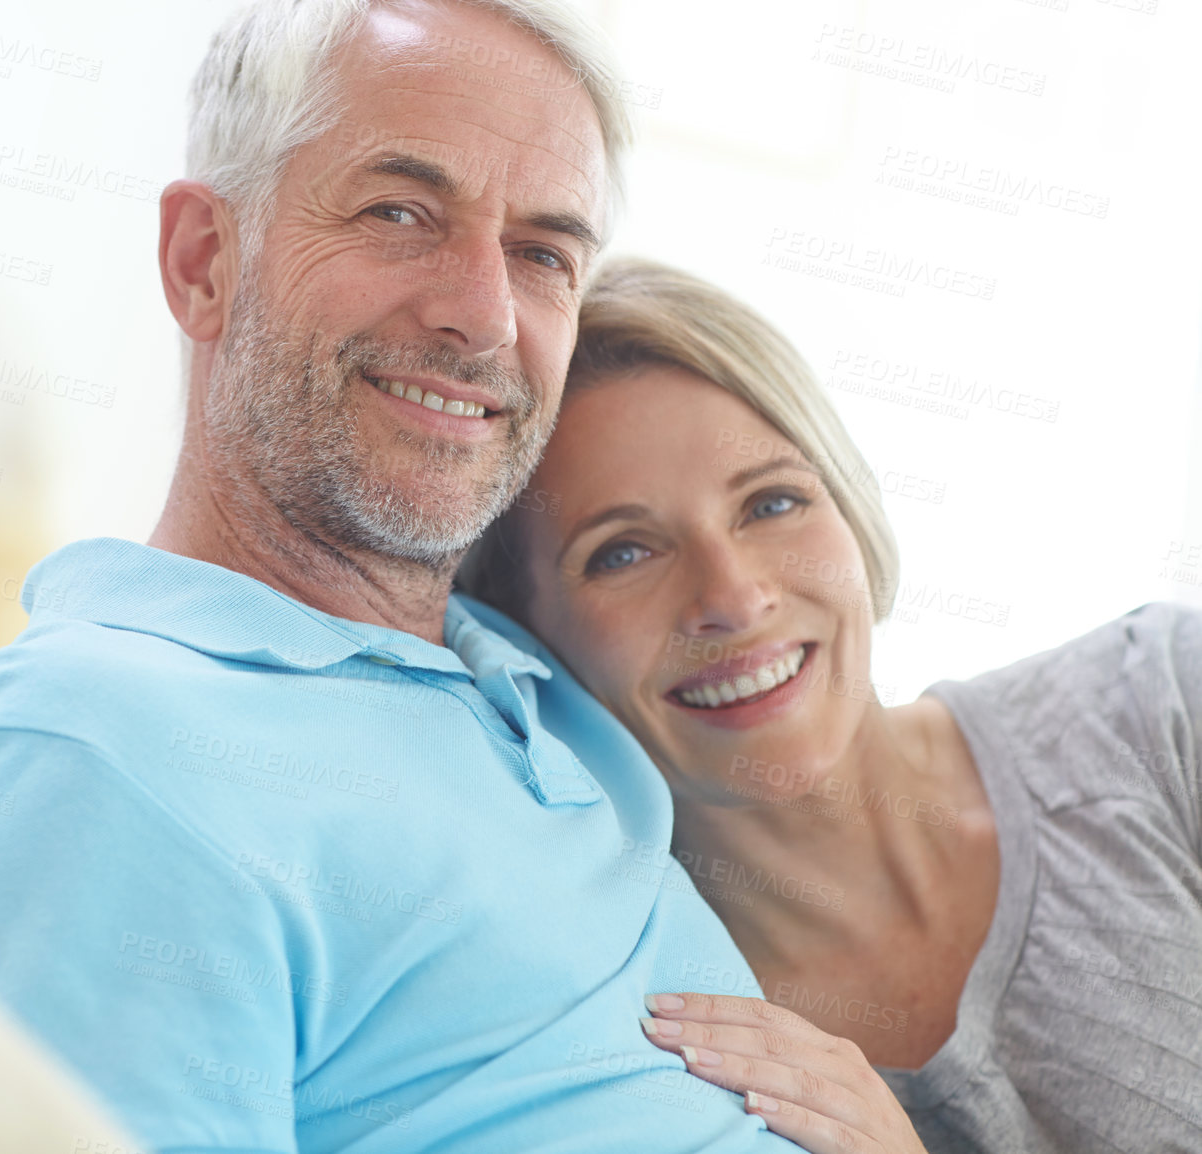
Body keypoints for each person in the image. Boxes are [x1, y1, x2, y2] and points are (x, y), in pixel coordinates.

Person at [0, 1, 913, 1151]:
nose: (483, 315)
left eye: (543, 253)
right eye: (399, 212)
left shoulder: (533, 672)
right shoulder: (98, 750)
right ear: (204, 261)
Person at [461, 257, 1202, 1153]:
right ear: (524, 640)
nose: (733, 598)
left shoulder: (1164, 706)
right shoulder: (642, 1034)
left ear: (849, 506)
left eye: (771, 502)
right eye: (622, 553)